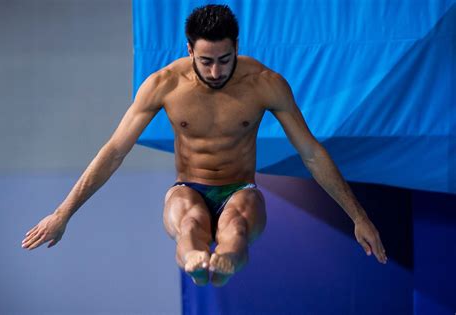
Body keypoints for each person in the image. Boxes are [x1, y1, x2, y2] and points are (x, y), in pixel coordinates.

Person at [21, 4, 387, 287]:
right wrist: (62, 213)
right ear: (189, 49)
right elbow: (114, 151)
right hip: (189, 186)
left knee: (237, 223)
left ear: (237, 48)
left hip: (239, 186)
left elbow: (311, 152)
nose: (215, 72)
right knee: (190, 220)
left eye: (224, 60)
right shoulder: (164, 85)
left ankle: (225, 262)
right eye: (205, 61)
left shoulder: (265, 83)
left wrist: (359, 216)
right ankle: (196, 262)